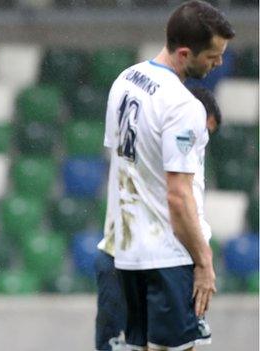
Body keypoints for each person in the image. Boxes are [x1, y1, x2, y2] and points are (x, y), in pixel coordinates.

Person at [102, 1, 234, 349]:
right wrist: (204, 263)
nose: (218, 63)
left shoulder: (124, 81)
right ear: (186, 52)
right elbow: (178, 196)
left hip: (128, 256)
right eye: (212, 56)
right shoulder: (183, 105)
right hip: (168, 258)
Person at [95, 86, 223, 351]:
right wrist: (203, 261)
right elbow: (178, 203)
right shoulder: (156, 150)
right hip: (140, 259)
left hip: (140, 259)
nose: (201, 140)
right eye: (201, 130)